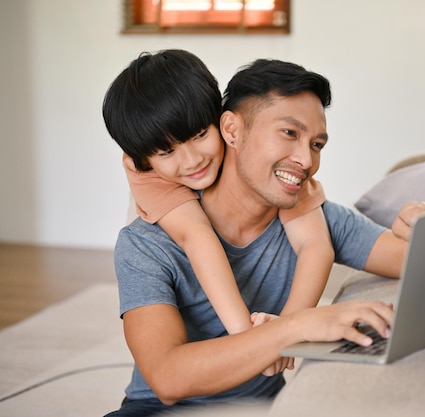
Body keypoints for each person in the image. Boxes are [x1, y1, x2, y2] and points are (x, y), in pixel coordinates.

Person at [103, 54, 425, 417]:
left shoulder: (314, 214)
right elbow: (167, 380)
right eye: (289, 133)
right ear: (232, 129)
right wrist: (292, 329)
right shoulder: (147, 242)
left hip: (259, 408)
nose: (306, 161)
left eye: (317, 144)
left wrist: (418, 226)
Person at [103, 49, 335, 347]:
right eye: (167, 152)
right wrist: (251, 338)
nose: (192, 161)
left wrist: (290, 326)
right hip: (165, 205)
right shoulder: (143, 169)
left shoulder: (253, 143)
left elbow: (316, 244)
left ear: (222, 120)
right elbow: (197, 236)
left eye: (200, 135)